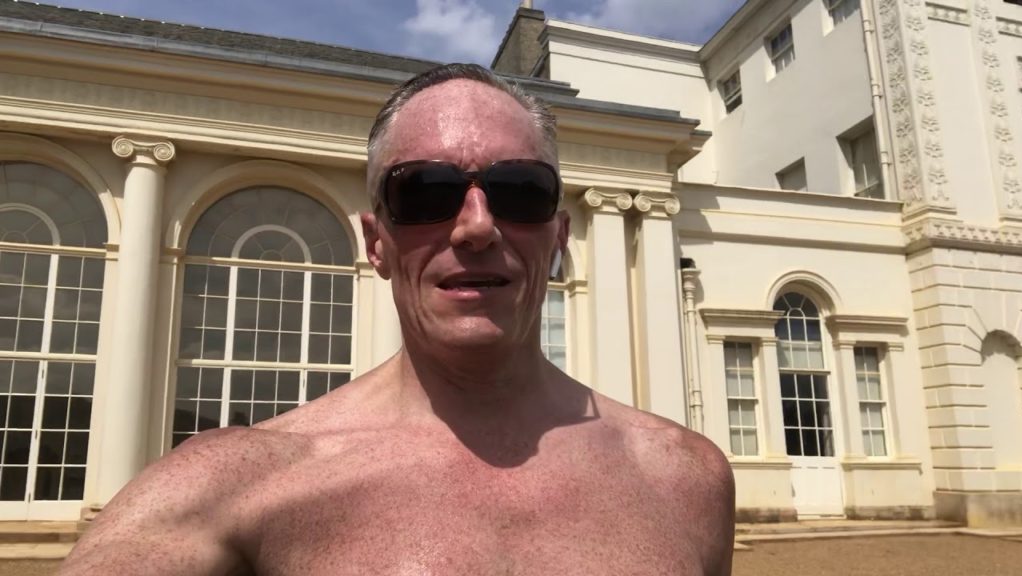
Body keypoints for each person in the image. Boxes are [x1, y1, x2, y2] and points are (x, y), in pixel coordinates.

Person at [61, 63, 735, 576]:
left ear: (557, 240)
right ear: (376, 243)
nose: (476, 226)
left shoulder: (685, 478)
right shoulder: (231, 486)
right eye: (425, 192)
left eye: (519, 191)